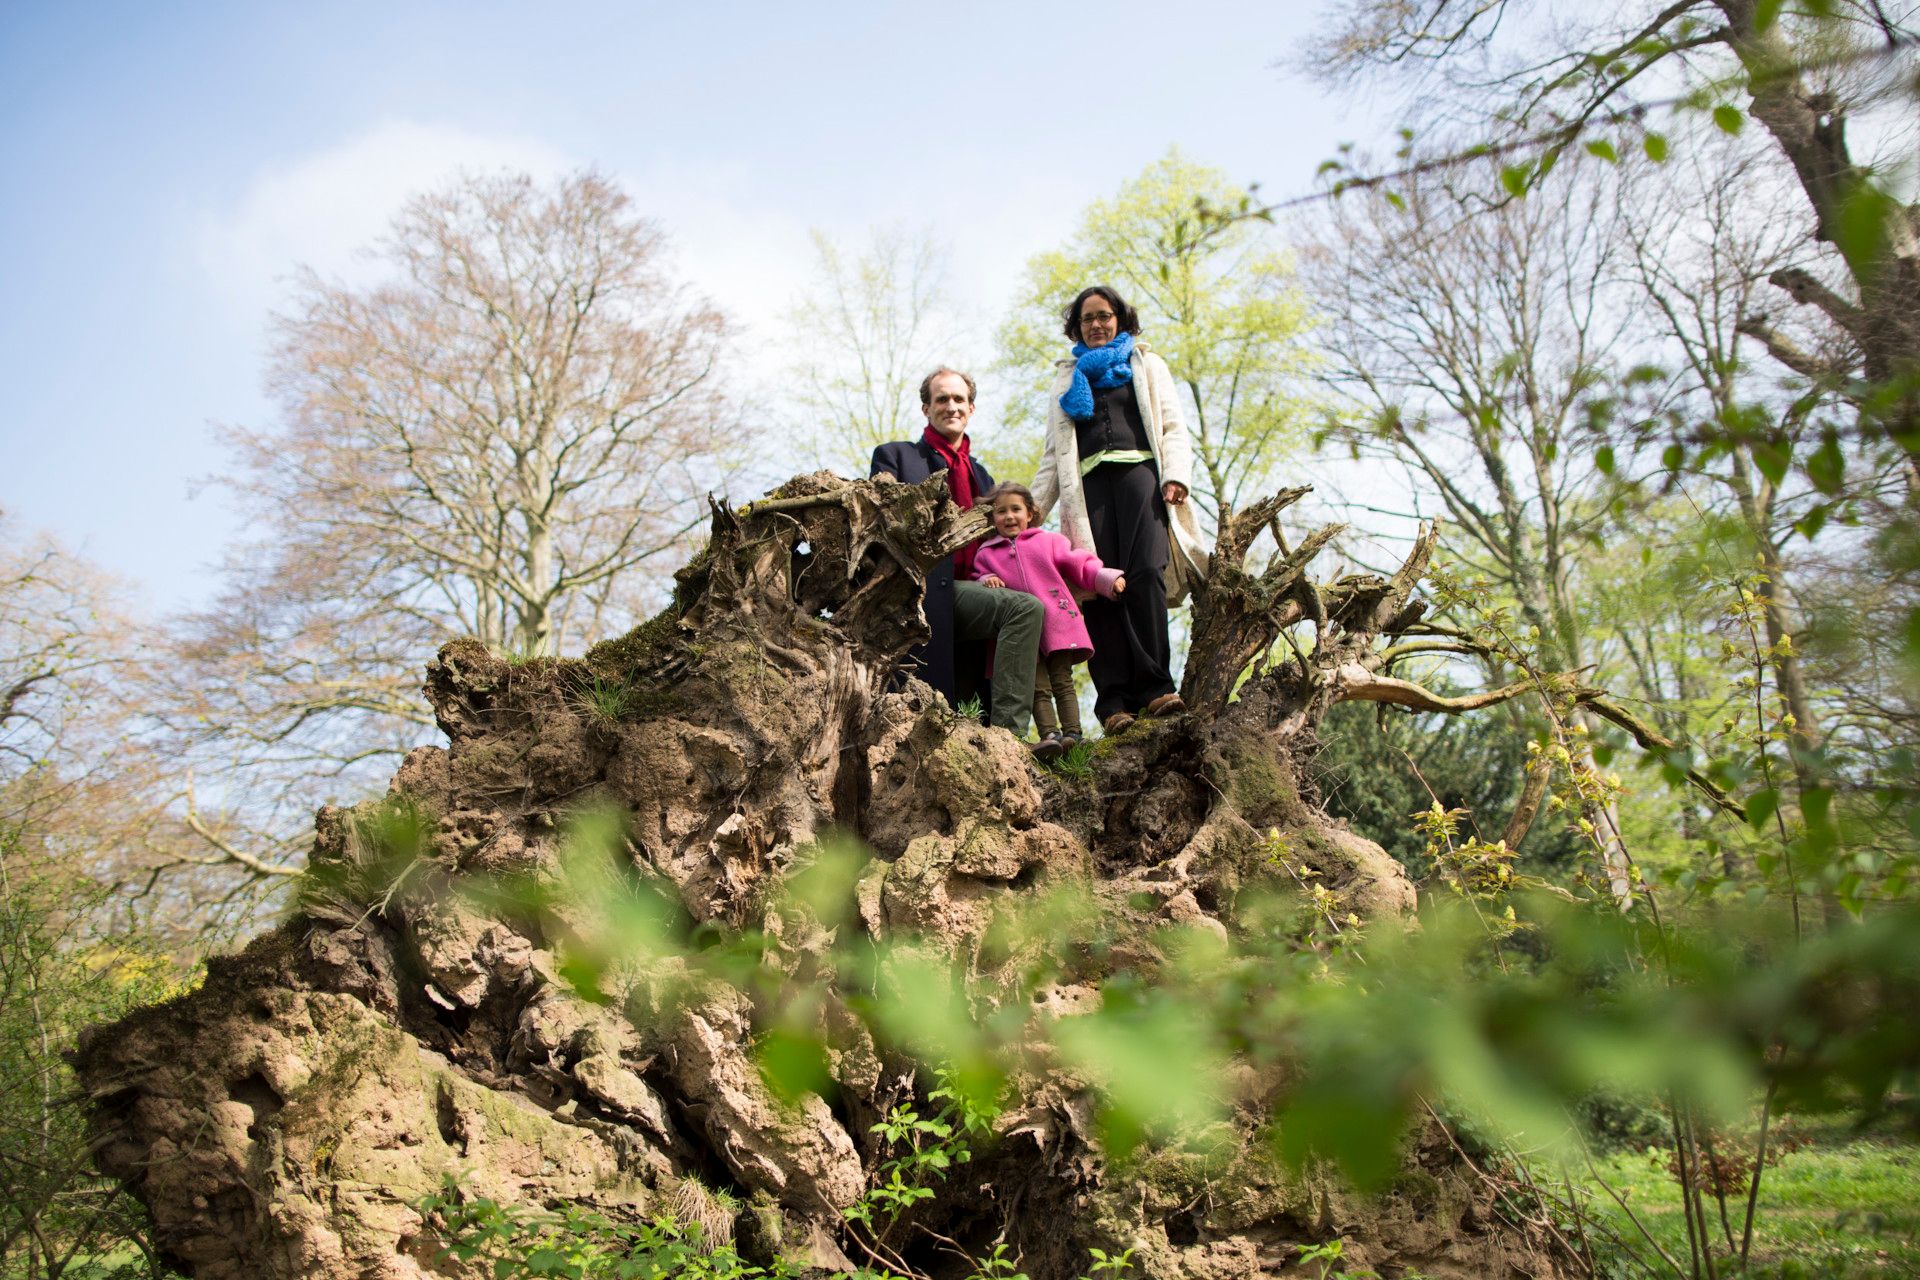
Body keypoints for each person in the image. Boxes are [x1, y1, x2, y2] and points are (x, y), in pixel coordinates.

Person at [1031, 285, 1210, 734]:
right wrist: (1032, 509)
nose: (1096, 324)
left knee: (1146, 573)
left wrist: (1176, 475)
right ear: (1077, 326)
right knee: (1099, 587)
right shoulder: (1066, 379)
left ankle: (1155, 688)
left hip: (1142, 480)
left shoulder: (1146, 364)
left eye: (1104, 316)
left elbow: (1172, 426)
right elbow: (1054, 455)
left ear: (1120, 320)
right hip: (1086, 493)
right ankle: (1113, 703)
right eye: (1087, 318)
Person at [871, 368, 1044, 736]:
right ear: (925, 408)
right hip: (923, 594)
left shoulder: (982, 475)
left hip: (977, 589)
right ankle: (1010, 735)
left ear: (972, 408)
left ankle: (1006, 738)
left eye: (959, 399)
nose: (951, 406)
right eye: (942, 399)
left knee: (1028, 605)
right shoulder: (896, 457)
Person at [968, 482, 1125, 758]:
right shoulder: (986, 553)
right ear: (992, 519)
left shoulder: (1048, 541)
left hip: (1057, 624)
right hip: (1022, 636)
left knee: (1062, 681)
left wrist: (1106, 578)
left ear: (1030, 513)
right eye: (1000, 511)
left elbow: (1079, 564)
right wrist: (985, 579)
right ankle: (1049, 736)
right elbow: (975, 581)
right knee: (1036, 687)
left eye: (1016, 509)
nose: (1009, 516)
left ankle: (1073, 734)